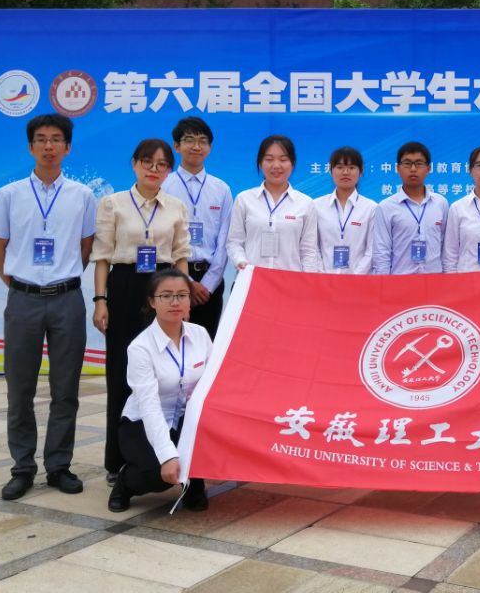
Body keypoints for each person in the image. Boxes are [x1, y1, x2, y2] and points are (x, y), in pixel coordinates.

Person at [0, 114, 97, 500]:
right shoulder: (9, 194)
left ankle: (59, 466)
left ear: (67, 147)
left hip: (67, 300)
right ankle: (22, 468)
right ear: (30, 146)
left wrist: (62, 279)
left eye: (56, 139)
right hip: (23, 301)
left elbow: (86, 247)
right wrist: (20, 285)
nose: (49, 146)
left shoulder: (82, 195)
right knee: (20, 389)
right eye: (42, 139)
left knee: (66, 390)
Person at [91, 139, 191, 485]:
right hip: (125, 287)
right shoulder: (113, 203)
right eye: (147, 162)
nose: (154, 169)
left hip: (164, 287)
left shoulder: (176, 206)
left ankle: (165, 453)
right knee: (121, 373)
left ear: (169, 170)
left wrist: (182, 298)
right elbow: (102, 257)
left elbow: (181, 256)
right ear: (135, 164)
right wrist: (100, 300)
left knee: (167, 374)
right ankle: (116, 460)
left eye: (162, 164)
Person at [107, 269, 210, 512]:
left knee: (211, 441)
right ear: (152, 302)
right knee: (158, 473)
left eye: (182, 295)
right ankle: (125, 482)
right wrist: (168, 456)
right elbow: (150, 407)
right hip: (143, 421)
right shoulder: (140, 347)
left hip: (185, 418)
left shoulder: (200, 334)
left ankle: (193, 482)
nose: (175, 302)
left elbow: (212, 386)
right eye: (166, 295)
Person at [161, 117, 232, 339]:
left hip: (210, 283)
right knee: (171, 343)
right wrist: (187, 283)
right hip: (170, 277)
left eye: (203, 141)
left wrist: (208, 284)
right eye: (189, 140)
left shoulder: (221, 189)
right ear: (177, 146)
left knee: (206, 344)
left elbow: (225, 240)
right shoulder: (163, 185)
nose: (196, 146)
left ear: (210, 147)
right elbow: (161, 238)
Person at [226, 134, 319, 272]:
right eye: (269, 159)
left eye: (283, 159)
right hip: (252, 278)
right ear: (260, 163)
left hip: (289, 281)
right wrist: (240, 261)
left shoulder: (305, 203)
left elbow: (309, 250)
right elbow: (234, 241)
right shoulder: (244, 199)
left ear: (292, 164)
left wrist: (307, 280)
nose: (276, 165)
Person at [372, 142, 449, 274]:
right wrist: (383, 283)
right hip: (401, 280)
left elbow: (446, 246)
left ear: (428, 168)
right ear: (398, 168)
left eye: (419, 163)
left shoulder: (440, 203)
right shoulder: (386, 207)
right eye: (407, 163)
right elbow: (381, 251)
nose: (413, 169)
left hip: (434, 280)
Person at [313, 146, 377, 274]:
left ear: (360, 171)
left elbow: (372, 250)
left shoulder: (371, 208)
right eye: (340, 167)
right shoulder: (316, 206)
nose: (346, 172)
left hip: (358, 281)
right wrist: (323, 276)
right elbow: (313, 247)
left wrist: (354, 278)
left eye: (352, 167)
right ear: (330, 170)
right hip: (324, 280)